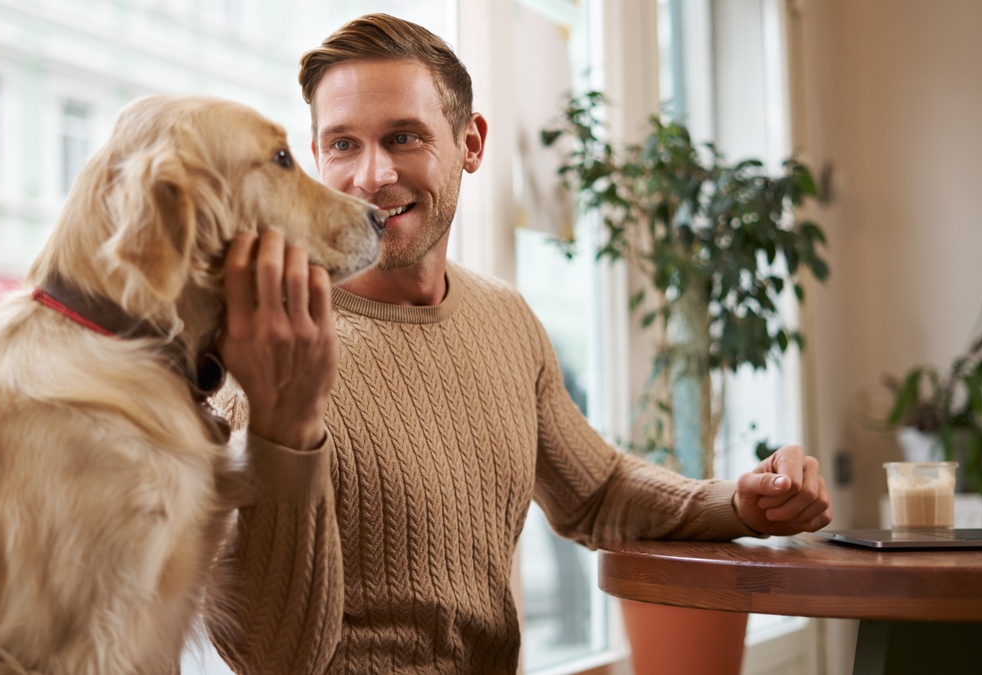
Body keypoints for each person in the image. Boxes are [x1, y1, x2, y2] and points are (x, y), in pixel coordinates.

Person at [206, 13, 832, 674]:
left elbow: (597, 493)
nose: (372, 174)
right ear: (315, 157)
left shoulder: (503, 316)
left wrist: (737, 501)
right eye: (341, 145)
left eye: (403, 136)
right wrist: (287, 423)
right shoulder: (267, 344)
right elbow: (268, 655)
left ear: (470, 143)